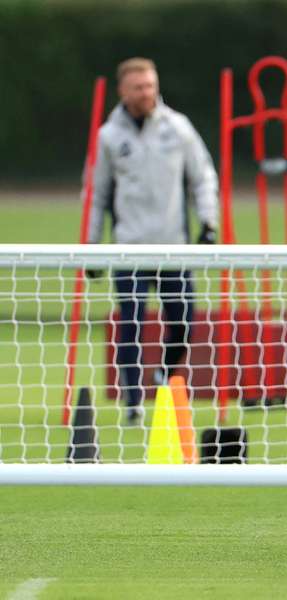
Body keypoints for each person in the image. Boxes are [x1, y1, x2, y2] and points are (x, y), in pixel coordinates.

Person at [86, 57, 219, 426]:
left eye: (150, 85)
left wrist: (208, 224)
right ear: (123, 91)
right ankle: (132, 402)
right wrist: (91, 246)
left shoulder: (178, 127)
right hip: (128, 246)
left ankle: (162, 374)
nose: (146, 92)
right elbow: (95, 195)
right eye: (138, 87)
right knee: (129, 324)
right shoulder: (109, 136)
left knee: (183, 321)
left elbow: (203, 177)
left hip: (172, 246)